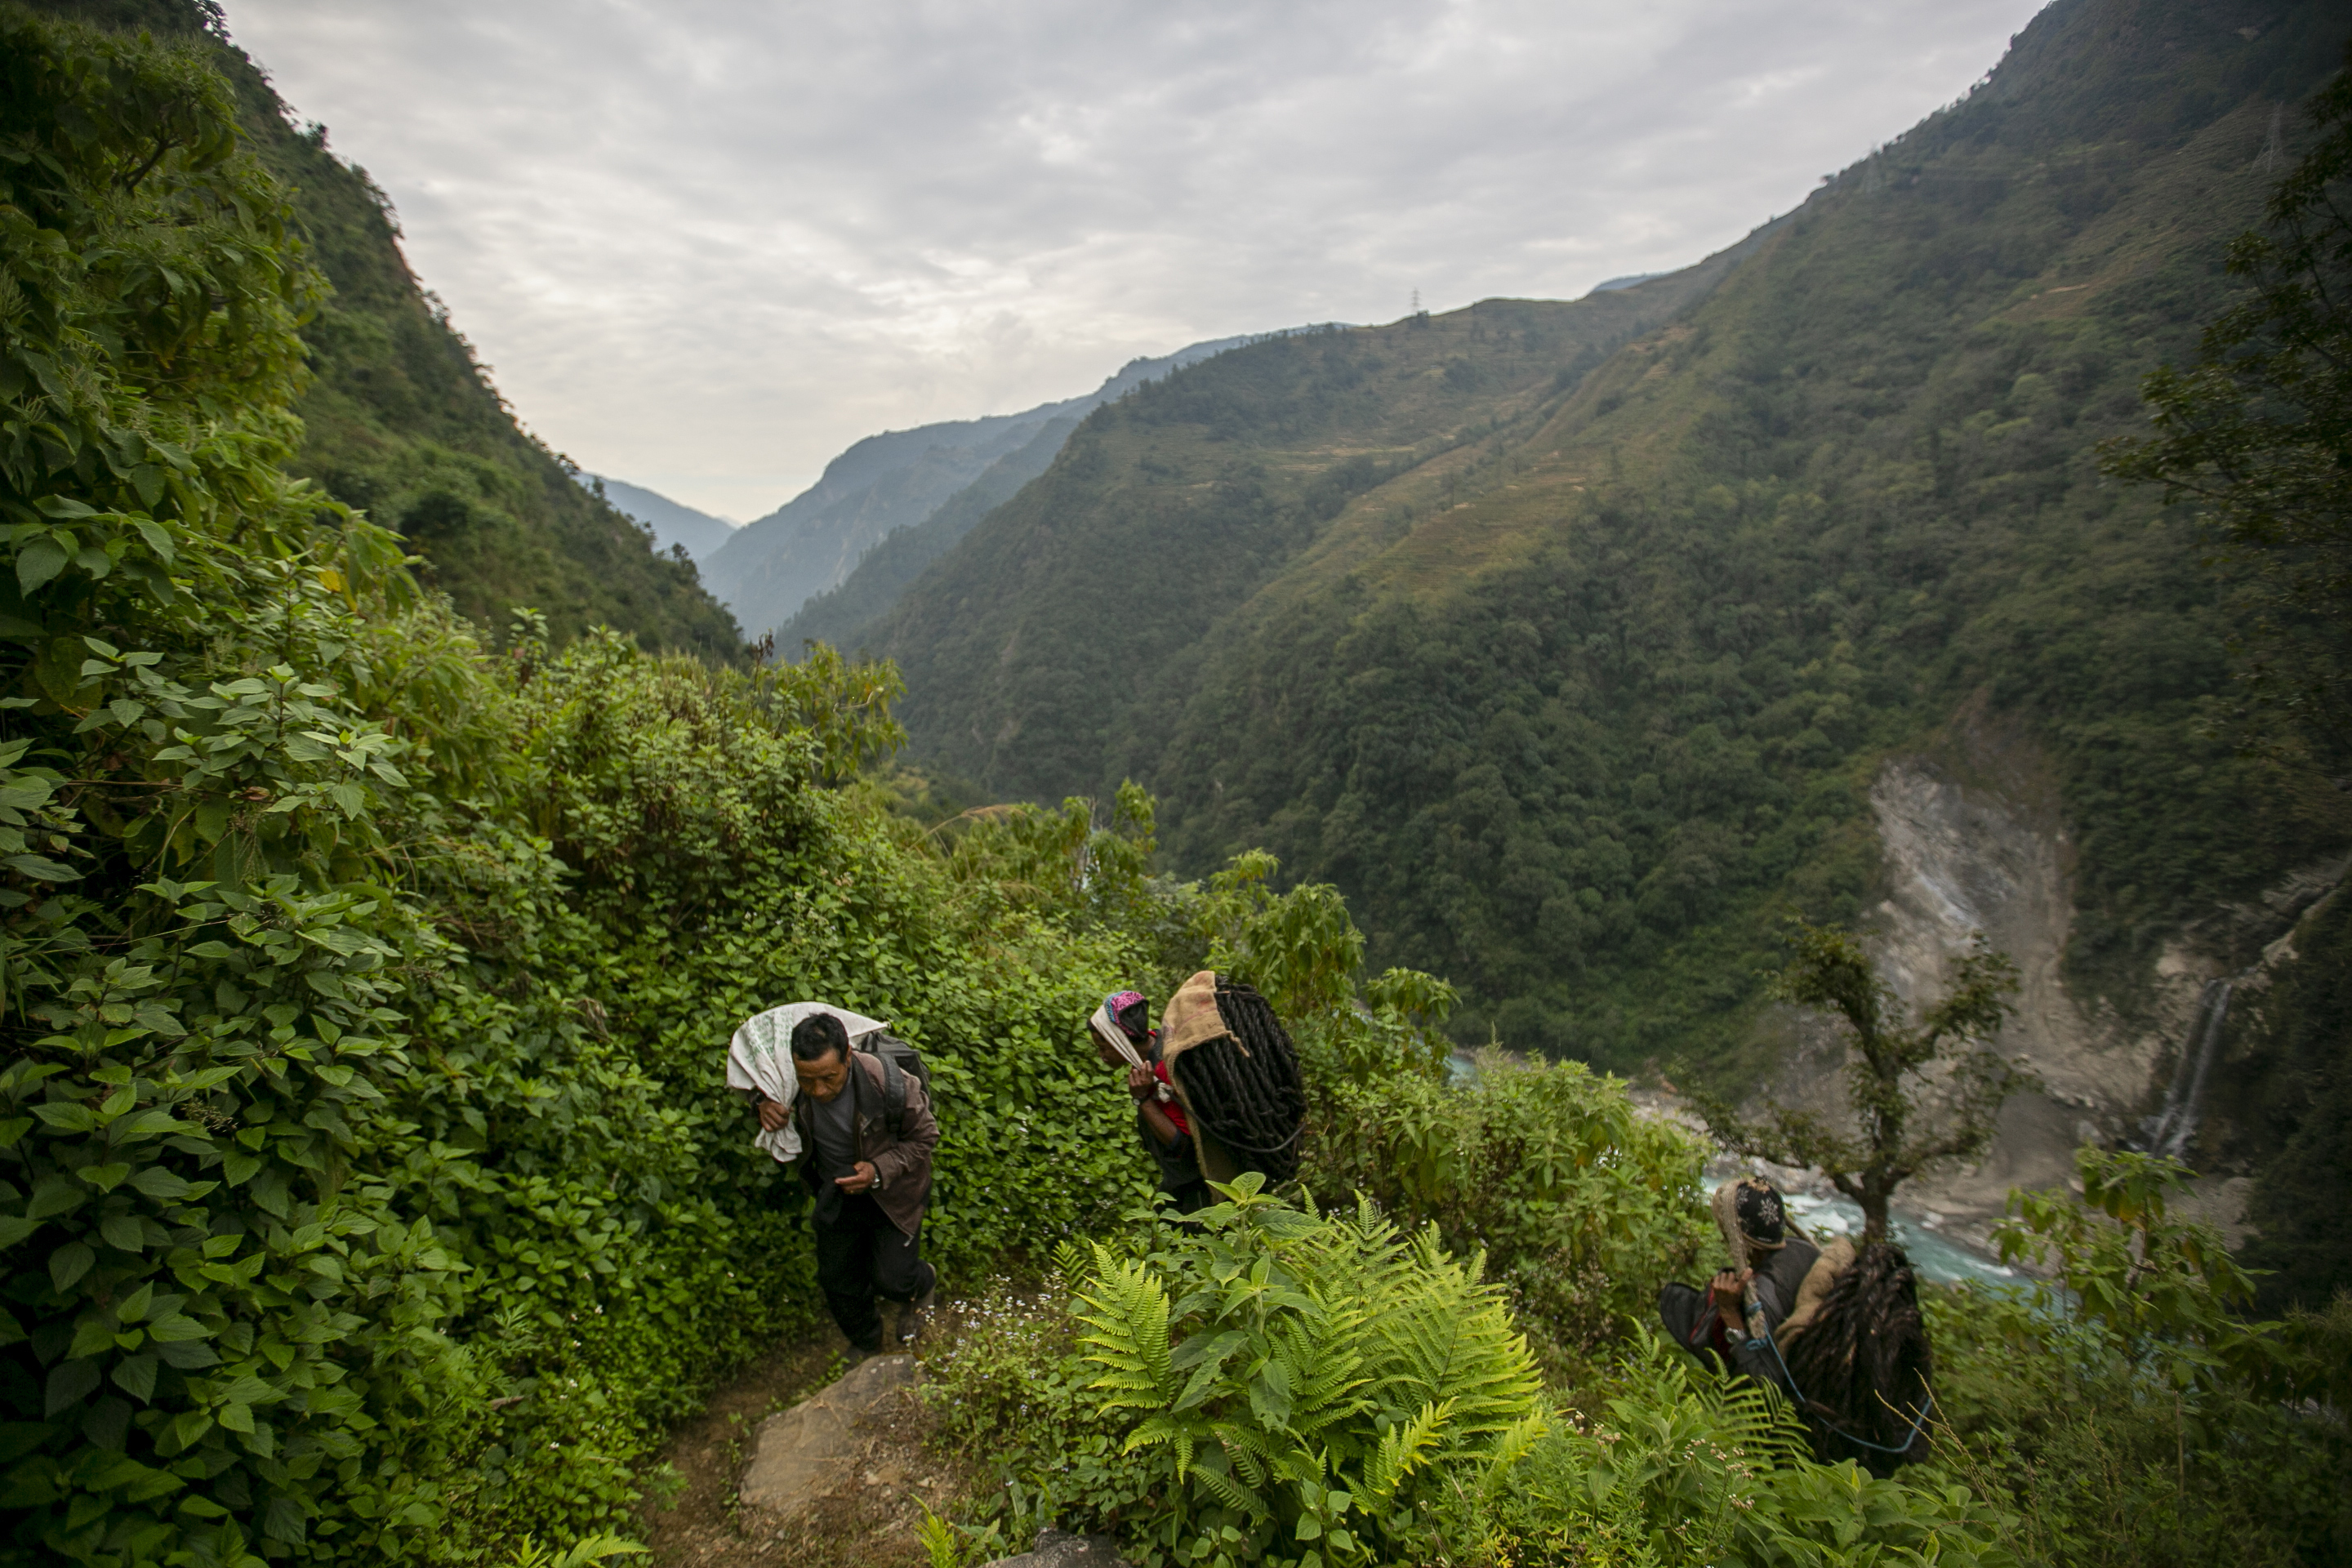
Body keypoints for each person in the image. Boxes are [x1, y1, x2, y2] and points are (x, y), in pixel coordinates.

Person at [748, 1011, 939, 1357]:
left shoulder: (889, 1083)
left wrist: (877, 1169)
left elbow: (925, 1137)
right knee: (838, 1278)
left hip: (893, 1192)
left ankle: (922, 1285)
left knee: (893, 1278)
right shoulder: (788, 1081)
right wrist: (760, 1103)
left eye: (829, 1078)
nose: (819, 1090)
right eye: (808, 1081)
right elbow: (755, 1084)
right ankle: (866, 1341)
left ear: (848, 1055)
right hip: (837, 1188)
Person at [1657, 1176, 1822, 1395]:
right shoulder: (1803, 1249)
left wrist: (1729, 1313)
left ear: (1735, 1237)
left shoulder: (1761, 1297)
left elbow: (1767, 1391)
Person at [1089, 989, 1211, 1215]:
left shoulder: (1164, 1068)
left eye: (1103, 1047)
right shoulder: (1152, 1047)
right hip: (1177, 1179)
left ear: (1119, 1040)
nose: (1101, 1055)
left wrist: (1143, 1099)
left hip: (1197, 1184)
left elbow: (1183, 1145)